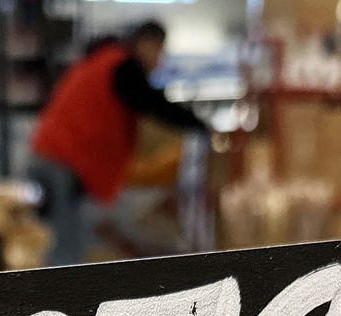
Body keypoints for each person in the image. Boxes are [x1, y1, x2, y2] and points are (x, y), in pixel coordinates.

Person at [30, 21, 209, 265]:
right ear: (144, 43)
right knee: (67, 246)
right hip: (63, 161)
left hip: (55, 156)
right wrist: (200, 125)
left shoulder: (102, 61)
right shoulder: (122, 66)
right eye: (158, 50)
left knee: (69, 239)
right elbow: (153, 103)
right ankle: (58, 297)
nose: (159, 60)